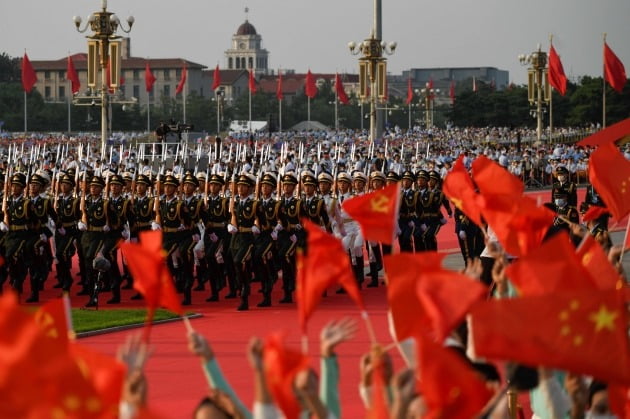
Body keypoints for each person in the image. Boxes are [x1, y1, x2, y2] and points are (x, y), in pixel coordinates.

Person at [227, 173, 260, 311]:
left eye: (243, 186)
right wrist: (231, 225)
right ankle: (242, 286)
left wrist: (256, 226)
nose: (240, 188)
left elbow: (259, 219)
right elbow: (233, 217)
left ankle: (244, 292)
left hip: (248, 239)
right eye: (238, 186)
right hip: (237, 238)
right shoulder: (235, 203)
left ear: (249, 188)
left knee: (238, 261)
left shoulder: (254, 204)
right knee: (233, 262)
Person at [252, 172, 281, 307]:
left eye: (268, 186)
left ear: (273, 188)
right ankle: (269, 278)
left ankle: (267, 291)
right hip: (259, 235)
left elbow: (282, 220)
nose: (264, 188)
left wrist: (276, 230)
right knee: (258, 260)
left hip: (270, 236)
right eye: (263, 186)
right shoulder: (256, 203)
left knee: (261, 256)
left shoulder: (276, 204)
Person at [277, 172, 302, 304]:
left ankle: (290, 285)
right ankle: (287, 289)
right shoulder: (278, 202)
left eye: (289, 185)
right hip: (281, 236)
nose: (286, 188)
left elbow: (303, 221)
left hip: (293, 237)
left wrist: (297, 227)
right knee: (284, 262)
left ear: (294, 187)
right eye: (285, 185)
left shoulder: (297, 203)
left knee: (286, 256)